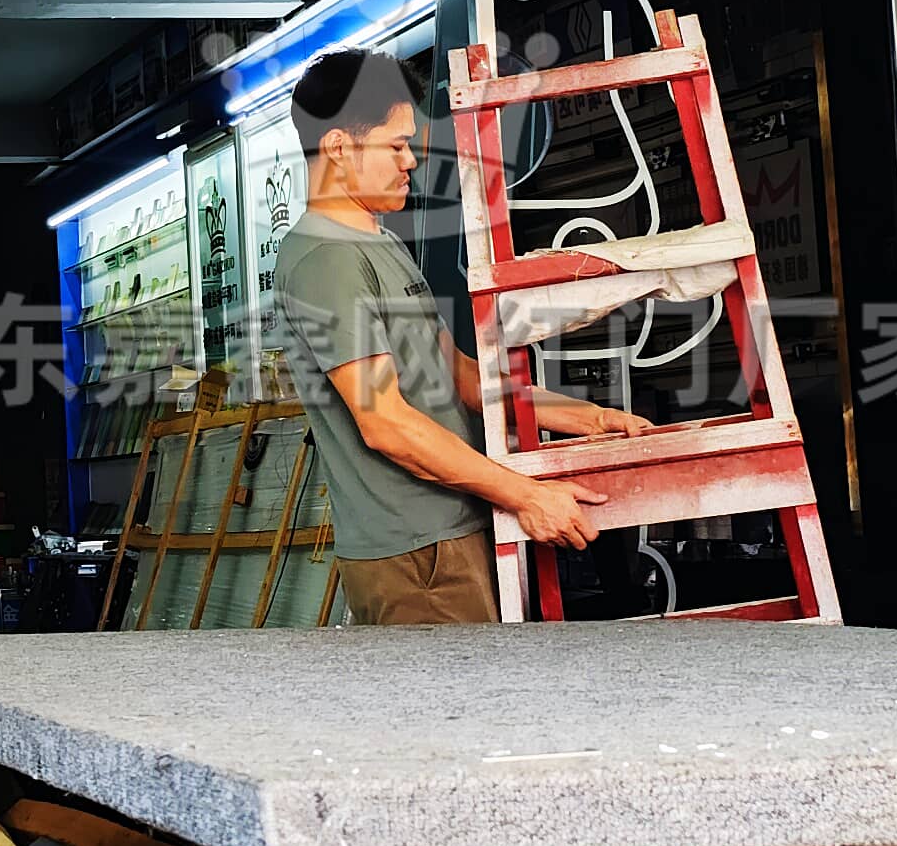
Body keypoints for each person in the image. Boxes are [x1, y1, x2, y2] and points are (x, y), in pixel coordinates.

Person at [267, 48, 651, 625]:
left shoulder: (377, 243)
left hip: (449, 534)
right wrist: (525, 495)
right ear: (339, 148)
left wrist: (591, 419)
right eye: (396, 145)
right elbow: (386, 424)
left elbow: (462, 377)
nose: (411, 161)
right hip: (416, 557)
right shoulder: (327, 261)